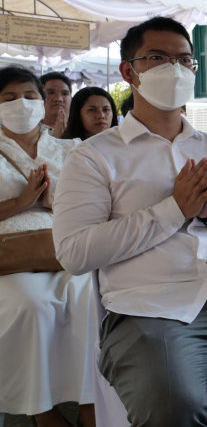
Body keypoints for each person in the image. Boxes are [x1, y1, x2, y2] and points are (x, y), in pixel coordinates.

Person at [52, 16, 207, 427]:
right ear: (129, 71)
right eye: (158, 58)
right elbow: (74, 252)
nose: (175, 68)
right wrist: (173, 211)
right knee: (173, 408)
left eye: (185, 60)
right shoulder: (95, 156)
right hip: (149, 309)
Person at [0, 66, 95, 427]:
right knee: (31, 306)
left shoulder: (72, 149)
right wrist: (22, 202)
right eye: (8, 98)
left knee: (88, 299)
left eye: (28, 96)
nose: (20, 104)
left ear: (43, 102)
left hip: (65, 248)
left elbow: (92, 206)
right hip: (10, 256)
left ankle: (89, 400)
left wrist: (54, 201)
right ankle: (40, 407)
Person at [40, 72, 72, 138]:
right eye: (50, 93)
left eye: (65, 93)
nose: (59, 99)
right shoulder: (29, 132)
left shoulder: (81, 130)